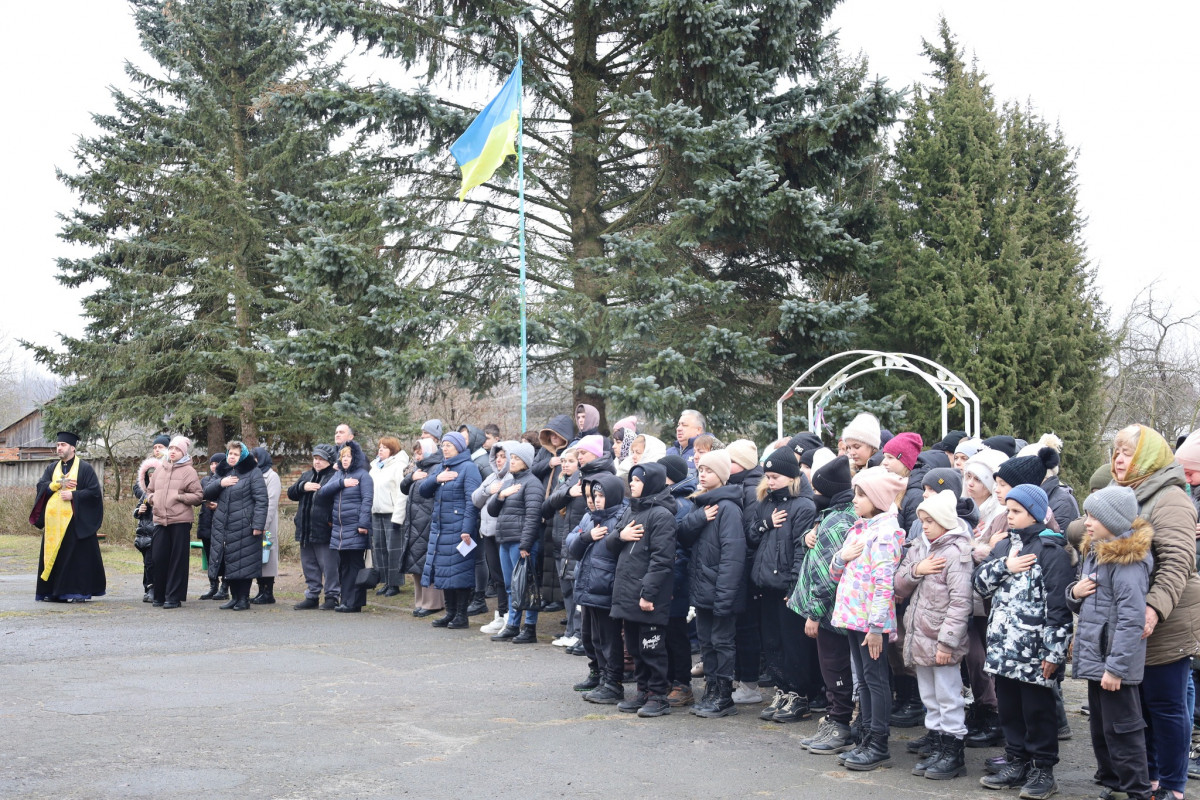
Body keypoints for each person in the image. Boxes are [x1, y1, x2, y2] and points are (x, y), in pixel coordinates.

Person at [1109, 425, 1200, 800]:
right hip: (1129, 619)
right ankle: (1148, 779)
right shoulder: (1121, 493)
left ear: (1147, 458)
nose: (1118, 459)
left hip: (1166, 620)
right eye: (1115, 451)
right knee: (1137, 706)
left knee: (1165, 706)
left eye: (1127, 453)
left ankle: (1173, 786)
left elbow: (1178, 561)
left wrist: (1152, 609)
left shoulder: (1170, 498)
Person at [974, 484, 1074, 798]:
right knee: (1010, 709)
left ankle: (1043, 768)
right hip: (1004, 649)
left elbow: (1060, 607)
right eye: (1009, 510)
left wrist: (1055, 652)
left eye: (1016, 511)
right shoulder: (1006, 547)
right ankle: (1016, 760)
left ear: (1033, 512)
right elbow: (979, 584)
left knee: (1037, 711)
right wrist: (1006, 566)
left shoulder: (1051, 552)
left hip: (1035, 654)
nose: (1010, 516)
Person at [1068, 485, 1153, 800]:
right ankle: (1114, 781)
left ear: (1114, 520)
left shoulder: (1127, 561)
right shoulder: (1096, 551)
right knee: (1102, 728)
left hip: (1113, 664)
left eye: (1093, 516)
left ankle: (1137, 790)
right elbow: (1085, 599)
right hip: (1096, 658)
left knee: (1123, 731)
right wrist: (1074, 593)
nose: (1086, 522)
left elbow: (1132, 620)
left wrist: (1116, 668)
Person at [828, 465, 906, 771]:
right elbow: (837, 573)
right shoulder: (859, 528)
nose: (855, 499)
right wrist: (840, 557)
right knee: (864, 681)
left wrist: (875, 628)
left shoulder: (886, 534)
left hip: (871, 624)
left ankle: (878, 742)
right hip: (851, 618)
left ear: (877, 498)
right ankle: (865, 737)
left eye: (861, 494)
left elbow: (884, 584)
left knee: (876, 680)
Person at [894, 489, 974, 780]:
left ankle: (954, 752)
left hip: (941, 638)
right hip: (919, 635)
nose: (924, 526)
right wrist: (918, 569)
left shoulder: (956, 553)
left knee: (948, 695)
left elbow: (960, 602)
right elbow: (899, 585)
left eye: (929, 521)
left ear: (944, 521)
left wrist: (947, 641)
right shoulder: (918, 547)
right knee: (929, 694)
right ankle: (938, 745)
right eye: (922, 520)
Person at [791, 455, 857, 755]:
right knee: (833, 667)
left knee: (835, 668)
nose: (813, 495)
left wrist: (814, 613)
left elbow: (826, 576)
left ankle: (840, 723)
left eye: (818, 490)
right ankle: (835, 717)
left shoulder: (837, 521)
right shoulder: (835, 515)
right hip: (835, 611)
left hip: (831, 614)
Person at [748, 447, 818, 723]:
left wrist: (793, 588)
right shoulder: (766, 503)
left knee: (794, 644)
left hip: (789, 588)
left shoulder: (803, 506)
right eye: (767, 476)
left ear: (791, 477)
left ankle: (799, 695)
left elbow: (800, 551)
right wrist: (765, 523)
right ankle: (782, 689)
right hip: (766, 584)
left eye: (775, 476)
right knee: (773, 642)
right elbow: (752, 536)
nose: (770, 481)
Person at [677, 449, 746, 718]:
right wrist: (699, 517)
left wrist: (725, 597)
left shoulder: (727, 507)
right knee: (707, 642)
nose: (702, 474)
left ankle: (724, 695)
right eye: (701, 470)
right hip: (703, 588)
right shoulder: (701, 505)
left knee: (722, 642)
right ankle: (712, 688)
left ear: (722, 475)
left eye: (708, 471)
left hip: (721, 590)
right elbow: (682, 534)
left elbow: (733, 554)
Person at [607, 462, 678, 718]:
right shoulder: (630, 511)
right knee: (635, 648)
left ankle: (658, 696)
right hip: (627, 593)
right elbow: (610, 544)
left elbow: (662, 560)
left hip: (648, 597)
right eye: (632, 480)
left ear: (650, 483)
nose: (632, 484)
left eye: (637, 480)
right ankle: (642, 692)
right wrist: (621, 536)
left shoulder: (662, 516)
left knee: (652, 647)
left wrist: (648, 594)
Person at [569, 473, 629, 701]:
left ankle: (613, 683)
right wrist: (587, 537)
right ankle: (603, 678)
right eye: (594, 495)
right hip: (588, 586)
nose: (596, 499)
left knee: (609, 639)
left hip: (606, 588)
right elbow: (573, 549)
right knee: (595, 638)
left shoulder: (621, 518)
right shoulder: (590, 518)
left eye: (601, 494)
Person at [419, 432, 482, 630]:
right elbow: (423, 490)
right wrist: (437, 478)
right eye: (443, 445)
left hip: (459, 529)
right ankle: (450, 613)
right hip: (441, 528)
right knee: (445, 571)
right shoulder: (441, 467)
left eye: (449, 445)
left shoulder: (469, 468)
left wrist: (466, 529)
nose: (444, 448)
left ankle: (462, 615)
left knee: (460, 572)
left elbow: (472, 502)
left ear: (459, 447)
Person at [34, 432, 106, 603]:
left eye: (63, 445)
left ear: (72, 448)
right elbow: (41, 487)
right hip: (54, 523)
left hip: (75, 522)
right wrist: (55, 484)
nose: (59, 448)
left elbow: (94, 492)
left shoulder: (85, 468)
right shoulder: (52, 469)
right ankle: (53, 592)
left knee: (76, 558)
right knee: (55, 557)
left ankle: (77, 592)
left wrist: (75, 495)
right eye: (58, 445)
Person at [487, 440, 544, 643]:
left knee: (526, 586)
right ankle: (512, 624)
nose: (512, 461)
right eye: (513, 457)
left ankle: (529, 628)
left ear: (527, 462)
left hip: (521, 543)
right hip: (505, 541)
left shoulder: (533, 484)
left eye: (517, 458)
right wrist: (500, 495)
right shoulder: (509, 482)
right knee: (511, 586)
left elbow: (533, 516)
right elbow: (492, 510)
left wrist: (525, 545)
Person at [205, 441, 267, 611]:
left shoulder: (253, 473)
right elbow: (206, 492)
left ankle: (243, 599)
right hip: (224, 525)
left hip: (245, 525)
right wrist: (220, 483)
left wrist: (258, 524)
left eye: (236, 454)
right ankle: (234, 597)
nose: (232, 457)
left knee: (244, 562)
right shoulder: (222, 472)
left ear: (243, 456)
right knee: (230, 560)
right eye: (230, 453)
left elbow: (261, 500)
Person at [318, 441, 374, 613]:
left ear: (355, 458)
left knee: (354, 565)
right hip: (340, 530)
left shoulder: (363, 476)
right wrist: (342, 483)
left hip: (356, 528)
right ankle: (346, 600)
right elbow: (322, 492)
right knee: (343, 566)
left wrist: (364, 524)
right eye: (343, 456)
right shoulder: (339, 476)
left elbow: (367, 500)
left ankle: (354, 603)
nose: (345, 459)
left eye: (348, 456)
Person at [148, 436, 204, 609]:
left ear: (183, 453)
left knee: (177, 560)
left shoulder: (189, 471)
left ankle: (173, 597)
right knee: (158, 558)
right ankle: (159, 595)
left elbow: (198, 496)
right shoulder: (160, 469)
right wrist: (152, 499)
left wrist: (179, 497)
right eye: (171, 448)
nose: (172, 451)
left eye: (177, 449)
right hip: (159, 520)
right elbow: (149, 490)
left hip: (180, 521)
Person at [287, 444, 340, 610]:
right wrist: (302, 487)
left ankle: (332, 596)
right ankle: (312, 595)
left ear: (329, 461)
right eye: (315, 458)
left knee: (329, 565)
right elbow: (291, 493)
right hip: (304, 528)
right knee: (309, 564)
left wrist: (330, 520)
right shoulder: (307, 475)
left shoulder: (335, 476)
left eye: (321, 459)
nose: (317, 462)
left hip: (325, 528)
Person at [399, 435, 444, 617]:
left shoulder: (435, 468)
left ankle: (433, 603)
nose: (417, 456)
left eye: (419, 453)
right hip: (415, 521)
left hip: (428, 520)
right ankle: (421, 601)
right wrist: (411, 477)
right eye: (415, 453)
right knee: (416, 563)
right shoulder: (419, 468)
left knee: (428, 563)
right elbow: (403, 487)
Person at [473, 441, 512, 633]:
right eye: (497, 456)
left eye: (503, 456)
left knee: (507, 578)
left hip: (503, 534)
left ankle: (509, 616)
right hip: (487, 532)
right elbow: (475, 499)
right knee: (496, 576)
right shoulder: (490, 478)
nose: (499, 460)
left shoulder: (512, 478)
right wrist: (488, 490)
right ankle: (501, 614)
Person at [369, 436, 409, 597]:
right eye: (379, 447)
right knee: (379, 549)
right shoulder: (375, 466)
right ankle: (385, 581)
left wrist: (398, 517)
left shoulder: (398, 466)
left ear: (392, 450)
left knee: (393, 551)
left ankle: (395, 583)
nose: (380, 450)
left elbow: (402, 493)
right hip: (376, 512)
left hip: (392, 513)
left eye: (384, 447)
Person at [249, 446, 281, 605]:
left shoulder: (271, 476)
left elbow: (271, 502)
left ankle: (268, 592)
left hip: (266, 523)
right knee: (257, 557)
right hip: (253, 522)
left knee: (268, 557)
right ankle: (260, 591)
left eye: (255, 458)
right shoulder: (253, 475)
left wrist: (263, 524)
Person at [196, 453, 226, 600]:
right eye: (212, 463)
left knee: (224, 556)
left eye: (217, 463)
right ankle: (213, 586)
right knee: (209, 555)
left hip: (222, 523)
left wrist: (219, 506)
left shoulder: (227, 480)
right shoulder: (205, 480)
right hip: (206, 522)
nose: (214, 466)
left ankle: (225, 587)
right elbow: (199, 496)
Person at [133, 458, 158, 602]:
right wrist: (139, 510)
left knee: (152, 563)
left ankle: (153, 588)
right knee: (147, 564)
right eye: (150, 475)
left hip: (156, 533)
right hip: (144, 534)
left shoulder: (161, 492)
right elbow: (136, 512)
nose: (152, 478)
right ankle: (148, 588)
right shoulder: (145, 493)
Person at [666, 409, 706, 475]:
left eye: (684, 425)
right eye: (678, 425)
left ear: (698, 430)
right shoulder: (669, 452)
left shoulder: (710, 450)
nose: (678, 429)